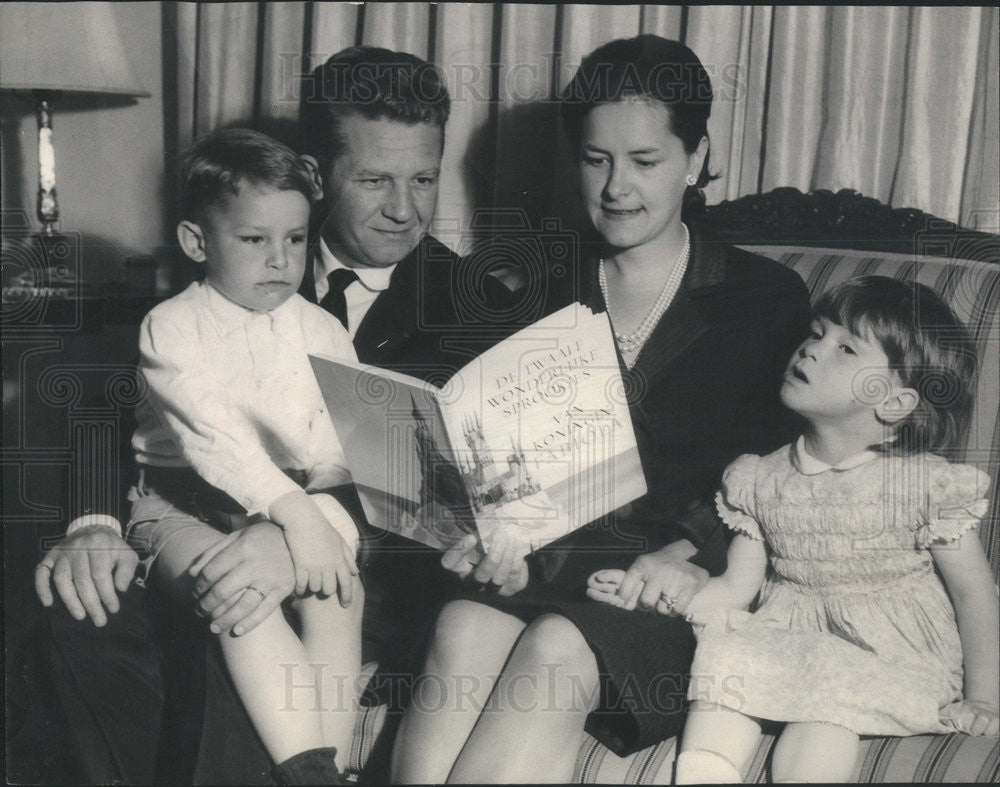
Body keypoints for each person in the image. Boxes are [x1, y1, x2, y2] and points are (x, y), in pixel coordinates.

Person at [31, 46, 515, 784]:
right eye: (376, 179)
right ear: (317, 173)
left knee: (235, 605)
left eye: (423, 178)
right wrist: (93, 522)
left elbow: (440, 481)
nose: (406, 208)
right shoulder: (212, 268)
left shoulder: (480, 310)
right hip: (192, 511)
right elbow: (108, 405)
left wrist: (300, 534)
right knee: (70, 608)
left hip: (372, 570)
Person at [389, 35, 812, 784]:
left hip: (684, 593)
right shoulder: (530, 289)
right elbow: (507, 480)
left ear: (697, 155)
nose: (617, 187)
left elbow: (777, 473)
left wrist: (681, 554)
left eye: (645, 161)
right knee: (461, 622)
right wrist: (493, 545)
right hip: (553, 577)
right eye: (595, 159)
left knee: (556, 644)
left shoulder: (762, 300)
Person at [597, 276, 999, 783]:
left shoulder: (924, 483)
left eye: (846, 348)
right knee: (727, 668)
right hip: (788, 638)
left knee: (823, 717)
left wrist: (985, 697)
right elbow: (735, 591)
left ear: (896, 404)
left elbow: (975, 595)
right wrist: (657, 596)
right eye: (816, 333)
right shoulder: (759, 478)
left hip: (888, 654)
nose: (811, 351)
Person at [132, 126, 369, 784]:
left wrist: (322, 521)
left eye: (295, 239)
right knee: (239, 593)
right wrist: (298, 517)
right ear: (195, 241)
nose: (280, 259)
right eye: (254, 239)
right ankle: (310, 774)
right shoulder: (172, 326)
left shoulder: (321, 328)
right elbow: (216, 443)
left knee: (339, 591)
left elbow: (333, 449)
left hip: (291, 505)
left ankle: (333, 766)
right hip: (182, 502)